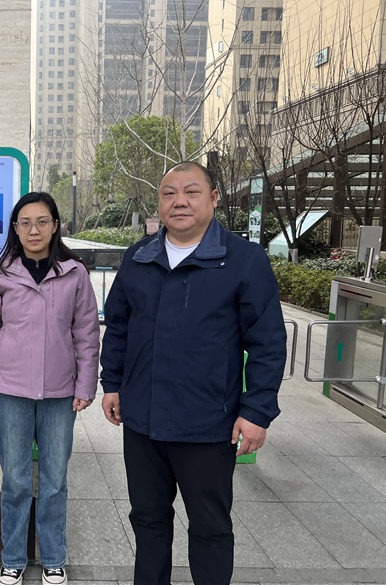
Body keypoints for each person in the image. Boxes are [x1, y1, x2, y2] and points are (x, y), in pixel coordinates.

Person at [99, 161, 286, 585]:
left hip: (208, 424)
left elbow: (268, 343)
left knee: (210, 528)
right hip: (143, 421)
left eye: (191, 192)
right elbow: (119, 327)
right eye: (169, 193)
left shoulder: (243, 260)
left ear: (214, 199)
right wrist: (112, 383)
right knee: (148, 521)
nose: (179, 201)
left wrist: (257, 411)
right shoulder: (138, 257)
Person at [0, 192, 100, 585]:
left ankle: (53, 558)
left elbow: (87, 333)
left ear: (55, 225)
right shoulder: (1, 273)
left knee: (54, 479)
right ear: (15, 228)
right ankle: (13, 558)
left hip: (60, 393)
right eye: (25, 222)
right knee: (14, 479)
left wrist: (86, 384)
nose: (34, 230)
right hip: (11, 390)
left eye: (42, 221)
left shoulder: (74, 273)